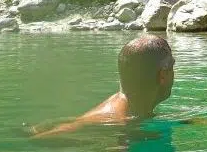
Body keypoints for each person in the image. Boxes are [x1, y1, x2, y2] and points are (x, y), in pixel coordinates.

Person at [32, 34, 175, 138]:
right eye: (172, 66)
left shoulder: (133, 109)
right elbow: (39, 141)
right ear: (162, 76)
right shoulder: (111, 120)